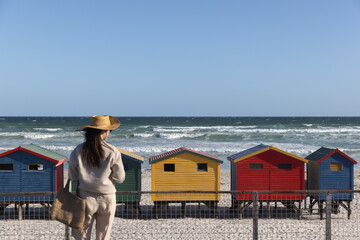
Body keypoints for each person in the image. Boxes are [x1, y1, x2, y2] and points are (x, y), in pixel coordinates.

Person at [68, 115, 125, 240]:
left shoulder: (79, 150)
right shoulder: (112, 151)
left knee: (81, 235)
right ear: (104, 131)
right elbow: (119, 178)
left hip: (84, 196)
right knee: (104, 235)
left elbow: (72, 176)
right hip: (107, 198)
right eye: (109, 130)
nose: (109, 133)